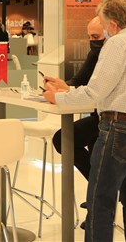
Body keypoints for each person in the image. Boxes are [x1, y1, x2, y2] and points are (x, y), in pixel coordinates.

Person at [43, 0, 126, 241]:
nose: (104, 33)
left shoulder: (117, 44)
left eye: (104, 26)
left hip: (119, 127)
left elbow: (95, 92)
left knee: (100, 203)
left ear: (113, 24)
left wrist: (58, 98)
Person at [51, 16, 105, 181]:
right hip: (99, 117)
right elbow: (78, 81)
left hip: (114, 119)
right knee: (62, 139)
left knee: (90, 141)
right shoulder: (94, 55)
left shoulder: (114, 57)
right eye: (89, 37)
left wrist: (64, 94)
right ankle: (98, 183)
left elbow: (95, 92)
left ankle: (99, 185)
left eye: (95, 37)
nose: (91, 41)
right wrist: (60, 86)